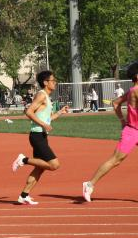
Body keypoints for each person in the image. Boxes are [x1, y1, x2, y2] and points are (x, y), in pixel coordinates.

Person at [11, 71, 69, 205]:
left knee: (39, 168)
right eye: (53, 80)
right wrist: (43, 125)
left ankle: (24, 195)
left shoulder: (46, 97)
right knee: (54, 165)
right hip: (37, 136)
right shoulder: (41, 95)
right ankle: (23, 159)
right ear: (45, 82)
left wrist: (60, 112)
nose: (55, 83)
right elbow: (29, 112)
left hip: (41, 135)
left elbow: (48, 119)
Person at [83, 63, 138, 202]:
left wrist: (122, 120)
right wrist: (123, 122)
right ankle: (89, 184)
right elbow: (115, 103)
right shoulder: (136, 91)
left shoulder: (131, 91)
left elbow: (115, 103)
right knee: (116, 160)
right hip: (132, 132)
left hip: (132, 129)